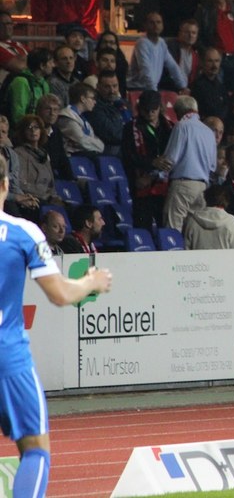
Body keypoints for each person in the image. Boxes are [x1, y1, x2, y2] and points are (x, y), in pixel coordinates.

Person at [0, 154, 112, 498]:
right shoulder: (22, 232)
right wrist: (91, 282)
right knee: (36, 449)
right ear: (5, 185)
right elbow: (61, 294)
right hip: (7, 356)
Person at [161, 96, 217, 232]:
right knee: (194, 232)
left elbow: (170, 159)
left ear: (179, 112)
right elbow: (213, 166)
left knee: (173, 229)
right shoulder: (209, 132)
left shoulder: (181, 126)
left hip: (183, 185)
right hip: (203, 187)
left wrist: (157, 175)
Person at [121, 91, 172, 230]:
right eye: (146, 110)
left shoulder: (169, 127)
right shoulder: (130, 128)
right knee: (143, 226)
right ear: (140, 108)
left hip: (165, 186)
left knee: (164, 227)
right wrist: (151, 162)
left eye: (153, 109)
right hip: (141, 185)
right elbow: (128, 156)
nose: (150, 113)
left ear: (160, 107)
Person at [196, 0, 234, 92]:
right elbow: (198, 37)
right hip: (215, 61)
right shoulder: (203, 11)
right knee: (216, 92)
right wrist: (207, 55)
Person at [127, 12, 189, 92]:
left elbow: (173, 66)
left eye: (158, 22)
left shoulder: (161, 43)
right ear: (145, 25)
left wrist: (183, 86)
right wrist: (154, 92)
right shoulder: (142, 43)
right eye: (152, 22)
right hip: (137, 88)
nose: (156, 25)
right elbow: (145, 70)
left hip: (151, 88)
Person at [183, 183, 234, 249]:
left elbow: (186, 249)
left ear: (205, 198)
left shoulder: (192, 222)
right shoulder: (232, 224)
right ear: (227, 200)